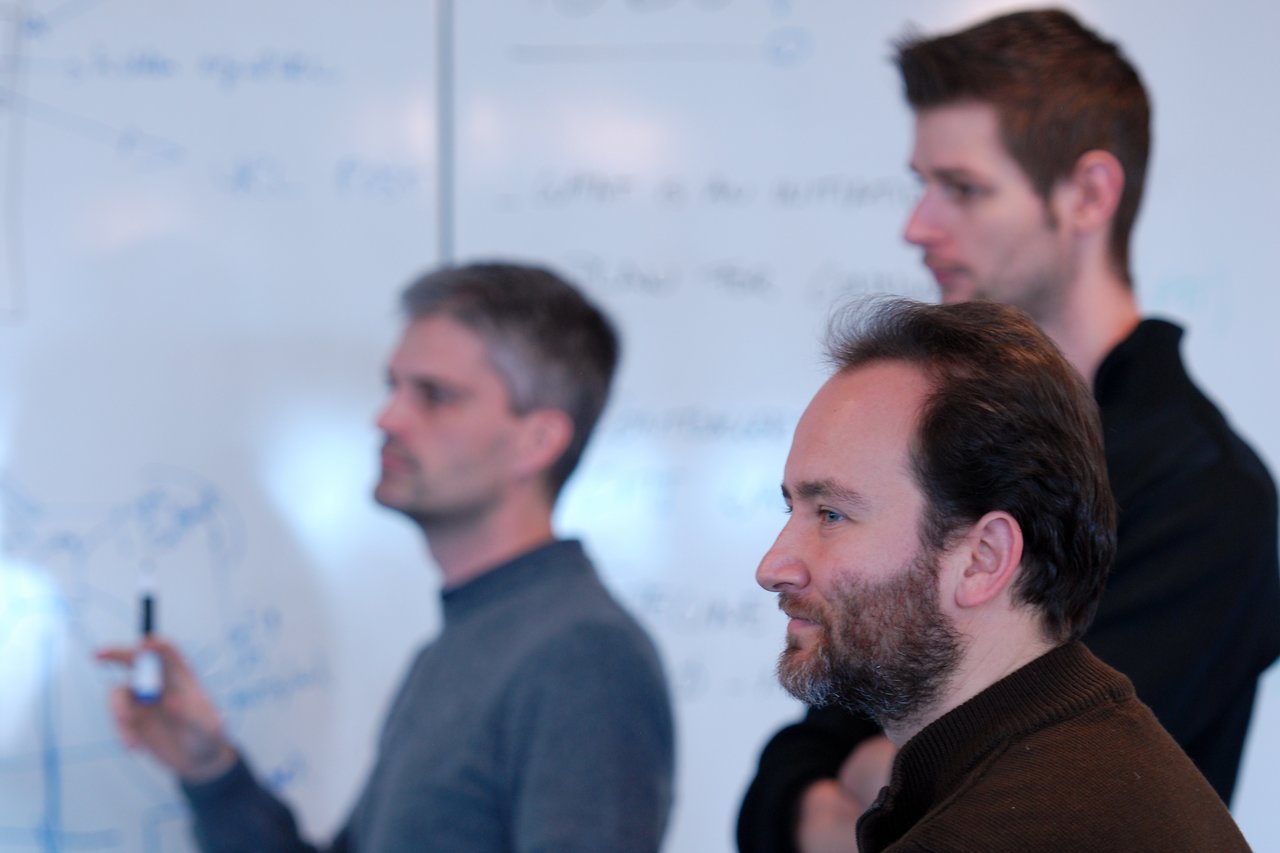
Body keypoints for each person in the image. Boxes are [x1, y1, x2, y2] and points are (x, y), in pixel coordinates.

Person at [738, 10, 1280, 851]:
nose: (917, 227)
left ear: (1089, 194)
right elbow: (794, 770)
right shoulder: (908, 432)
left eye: (963, 187)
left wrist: (875, 778)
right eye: (921, 183)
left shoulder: (1208, 496)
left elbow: (1030, 767)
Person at [98, 262, 675, 852]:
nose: (387, 417)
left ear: (538, 440)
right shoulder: (466, 642)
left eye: (435, 395)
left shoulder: (583, 657)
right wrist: (210, 769)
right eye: (393, 387)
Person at [757, 296, 1251, 851]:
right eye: (790, 510)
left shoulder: (1017, 827)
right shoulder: (1094, 760)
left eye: (831, 515)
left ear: (982, 559)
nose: (772, 567)